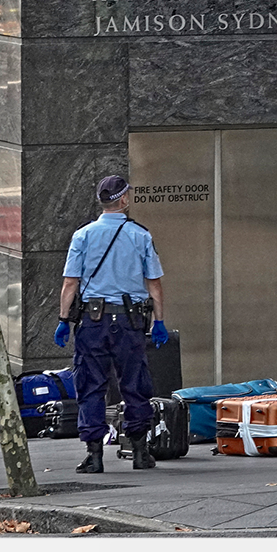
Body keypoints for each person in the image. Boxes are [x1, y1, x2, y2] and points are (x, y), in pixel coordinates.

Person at [54, 175, 169, 473]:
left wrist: (63, 319)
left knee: (91, 385)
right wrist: (159, 321)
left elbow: (70, 283)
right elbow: (154, 284)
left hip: (92, 323)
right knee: (134, 384)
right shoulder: (140, 235)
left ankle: (94, 455)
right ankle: (140, 452)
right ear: (124, 200)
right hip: (130, 322)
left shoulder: (83, 236)